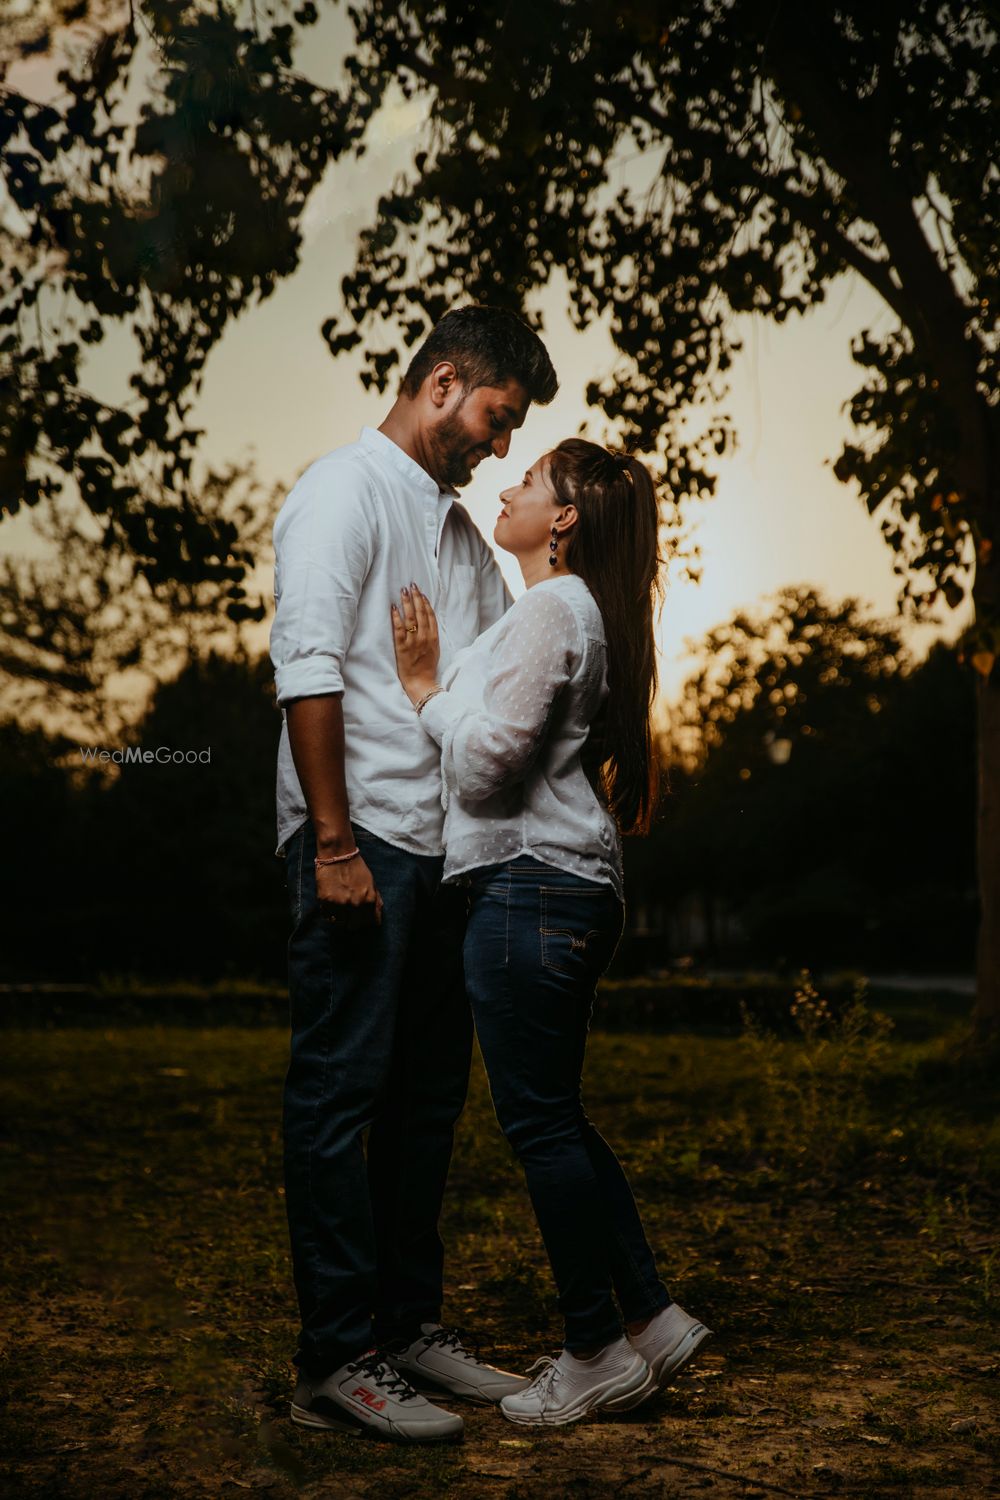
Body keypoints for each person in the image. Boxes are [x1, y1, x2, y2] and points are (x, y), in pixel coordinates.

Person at [269, 306, 558, 1443]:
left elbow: (485, 694)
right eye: (496, 420)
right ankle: (335, 1358)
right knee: (339, 1097)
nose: (497, 449)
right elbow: (307, 666)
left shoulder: (460, 542)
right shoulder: (342, 490)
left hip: (445, 858)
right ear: (442, 382)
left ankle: (406, 1328)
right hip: (360, 842)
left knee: (426, 1103)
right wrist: (333, 842)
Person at [391, 438, 713, 1427]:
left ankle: (592, 1350)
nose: (507, 487)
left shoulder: (550, 609)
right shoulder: (572, 611)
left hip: (530, 890)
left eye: (527, 480)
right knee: (556, 1116)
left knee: (536, 1123)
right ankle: (650, 1321)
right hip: (556, 888)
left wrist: (425, 692)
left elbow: (488, 767)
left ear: (562, 518)